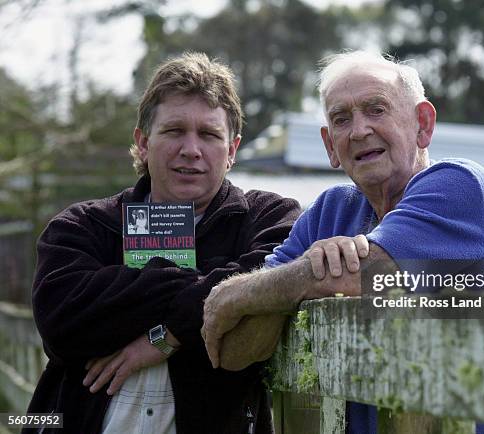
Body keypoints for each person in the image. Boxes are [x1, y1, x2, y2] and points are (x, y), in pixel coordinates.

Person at [202, 51, 484, 434]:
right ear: (330, 145)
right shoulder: (329, 213)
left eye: (376, 109)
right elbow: (232, 352)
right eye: (341, 119)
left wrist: (233, 295)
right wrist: (278, 288)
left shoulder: (460, 186)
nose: (359, 130)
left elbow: (360, 275)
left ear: (423, 124)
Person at [26, 52, 301, 434]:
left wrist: (163, 338)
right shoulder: (82, 225)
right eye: (174, 131)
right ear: (142, 142)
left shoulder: (269, 218)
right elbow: (61, 325)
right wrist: (212, 288)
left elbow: (276, 284)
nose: (191, 149)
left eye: (209, 134)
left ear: (232, 150)